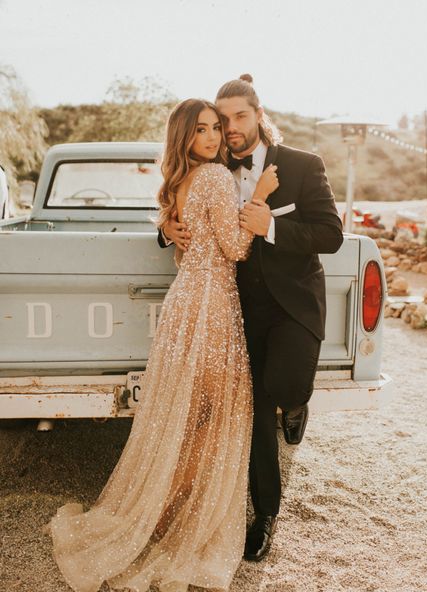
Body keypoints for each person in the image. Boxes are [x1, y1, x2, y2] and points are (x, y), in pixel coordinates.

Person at [45, 98, 279, 592]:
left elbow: (181, 231)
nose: (212, 138)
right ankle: (172, 519)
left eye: (215, 128)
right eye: (201, 130)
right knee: (209, 420)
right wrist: (259, 196)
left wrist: (167, 225)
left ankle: (159, 514)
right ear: (184, 137)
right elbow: (236, 248)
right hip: (212, 309)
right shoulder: (215, 178)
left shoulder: (179, 181)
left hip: (184, 305)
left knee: (185, 420)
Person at [160, 75, 344, 562]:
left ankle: (296, 404)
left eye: (239, 116)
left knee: (284, 386)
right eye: (222, 120)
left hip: (293, 304)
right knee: (257, 415)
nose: (230, 128)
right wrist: (167, 227)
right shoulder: (214, 165)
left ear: (259, 116)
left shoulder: (303, 165)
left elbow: (330, 234)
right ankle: (264, 515)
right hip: (238, 310)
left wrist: (272, 226)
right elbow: (184, 197)